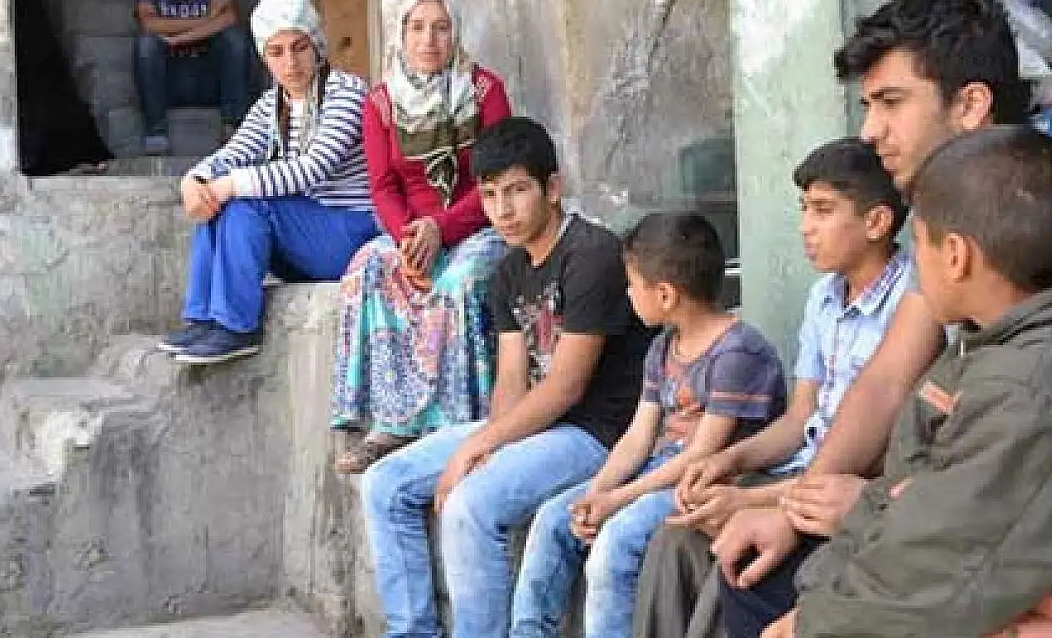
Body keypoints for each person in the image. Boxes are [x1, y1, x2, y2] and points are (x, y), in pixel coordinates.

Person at [710, 0, 1033, 624]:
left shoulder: (1028, 214)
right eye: (867, 105)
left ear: (970, 104)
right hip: (934, 513)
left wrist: (872, 512)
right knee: (752, 570)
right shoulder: (949, 213)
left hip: (986, 547)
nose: (870, 131)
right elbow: (887, 378)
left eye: (891, 103)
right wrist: (799, 507)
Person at [360, 117, 654, 638]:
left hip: (596, 434)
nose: (503, 210)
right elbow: (513, 379)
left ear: (552, 188)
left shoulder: (592, 255)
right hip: (537, 426)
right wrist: (488, 445)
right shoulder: (508, 273)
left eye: (518, 191)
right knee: (384, 483)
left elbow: (567, 385)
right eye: (491, 195)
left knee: (471, 505)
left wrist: (478, 451)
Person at [754, 126, 1052, 637]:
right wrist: (818, 593)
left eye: (917, 246)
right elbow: (903, 496)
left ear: (955, 256)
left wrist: (812, 622)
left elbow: (933, 562)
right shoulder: (977, 352)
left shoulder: (1021, 388)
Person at [632, 138, 911, 638]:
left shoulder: (911, 302)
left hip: (849, 488)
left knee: (735, 554)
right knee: (672, 539)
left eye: (823, 210)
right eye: (804, 209)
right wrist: (729, 460)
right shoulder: (824, 298)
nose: (806, 227)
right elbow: (800, 417)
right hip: (800, 470)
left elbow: (881, 450)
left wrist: (752, 501)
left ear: (876, 222)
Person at [511, 212, 788, 638]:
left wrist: (619, 500)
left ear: (664, 294)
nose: (627, 294)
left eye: (631, 284)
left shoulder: (738, 352)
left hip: (706, 480)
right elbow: (638, 437)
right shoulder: (661, 347)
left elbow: (703, 454)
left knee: (616, 541)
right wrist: (597, 491)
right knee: (554, 518)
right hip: (661, 468)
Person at [330, 0, 513, 473]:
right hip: (412, 233)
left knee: (459, 282)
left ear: (456, 33)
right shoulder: (381, 102)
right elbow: (382, 186)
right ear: (401, 34)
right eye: (417, 28)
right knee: (367, 271)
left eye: (441, 28)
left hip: (478, 224)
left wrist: (441, 229)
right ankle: (389, 425)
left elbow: (499, 177)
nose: (429, 40)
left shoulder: (485, 91)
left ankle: (457, 426)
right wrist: (410, 240)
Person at [156, 0, 377, 365]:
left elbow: (312, 169)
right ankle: (206, 318)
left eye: (299, 47)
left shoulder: (346, 92)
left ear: (316, 45)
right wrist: (195, 180)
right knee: (220, 203)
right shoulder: (271, 105)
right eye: (277, 52)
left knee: (248, 199)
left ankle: (237, 326)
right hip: (306, 239)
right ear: (264, 57)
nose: (290, 63)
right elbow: (234, 153)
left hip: (352, 236)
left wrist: (229, 185)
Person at [133, 0, 253, 154]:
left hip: (207, 81)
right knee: (146, 44)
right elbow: (150, 24)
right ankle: (156, 131)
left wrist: (177, 38)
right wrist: (207, 21)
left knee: (235, 39)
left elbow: (229, 19)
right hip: (169, 83)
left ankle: (232, 126)